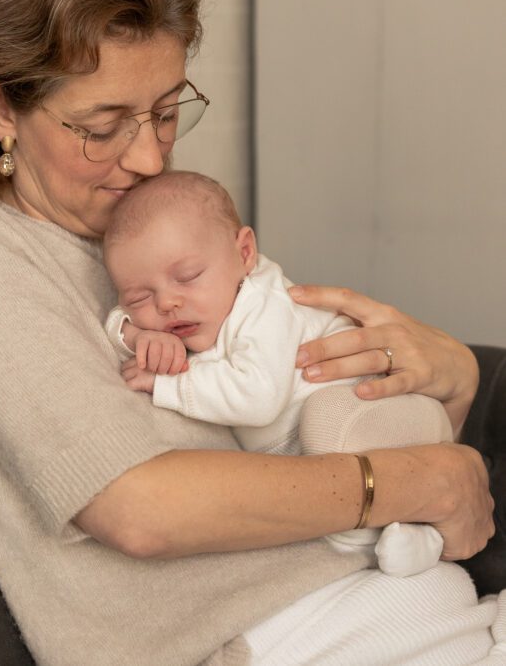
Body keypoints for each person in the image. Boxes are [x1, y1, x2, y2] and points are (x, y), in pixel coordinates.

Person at [0, 0, 502, 666]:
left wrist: (452, 381)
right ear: (0, 104)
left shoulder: (143, 236)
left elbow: (289, 420)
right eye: (103, 125)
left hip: (411, 593)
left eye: (166, 113)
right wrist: (405, 481)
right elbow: (137, 506)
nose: (147, 159)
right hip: (289, 639)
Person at [103, 169, 452, 578]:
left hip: (393, 419)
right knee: (321, 480)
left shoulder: (264, 304)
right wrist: (134, 333)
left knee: (328, 423)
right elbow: (112, 320)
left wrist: (169, 385)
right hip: (350, 460)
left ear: (245, 253)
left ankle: (406, 528)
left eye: (188, 277)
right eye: (141, 296)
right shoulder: (193, 314)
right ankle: (412, 536)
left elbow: (257, 399)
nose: (168, 303)